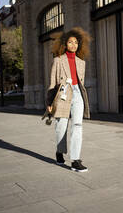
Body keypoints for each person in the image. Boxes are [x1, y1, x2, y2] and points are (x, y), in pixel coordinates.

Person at [46, 27, 91, 172]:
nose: (74, 45)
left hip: (77, 93)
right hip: (63, 94)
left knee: (77, 125)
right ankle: (60, 151)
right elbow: (53, 82)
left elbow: (80, 81)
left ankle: (75, 160)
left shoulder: (81, 62)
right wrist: (49, 103)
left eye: (76, 43)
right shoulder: (58, 60)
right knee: (61, 126)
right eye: (70, 42)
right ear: (65, 44)